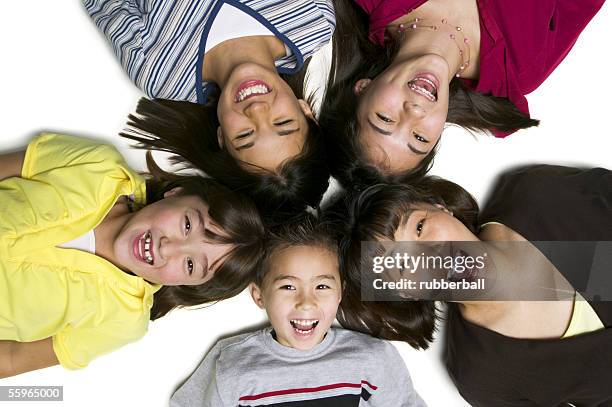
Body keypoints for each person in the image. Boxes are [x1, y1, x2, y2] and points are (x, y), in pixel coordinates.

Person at [331, 164, 612, 405]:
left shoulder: (534, 195)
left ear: (440, 207)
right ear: (407, 294)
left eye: (419, 227)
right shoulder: (481, 373)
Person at [0, 133, 265, 378]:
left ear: (186, 284)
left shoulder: (123, 321)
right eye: (187, 225)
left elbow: (12, 358)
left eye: (190, 264)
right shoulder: (100, 165)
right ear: (177, 193)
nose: (167, 248)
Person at [82, 0, 335, 221]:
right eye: (282, 123)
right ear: (306, 110)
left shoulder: (160, 72)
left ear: (221, 138)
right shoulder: (314, 19)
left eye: (245, 135)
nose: (257, 109)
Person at [319, 0, 605, 188]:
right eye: (420, 138)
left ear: (363, 87)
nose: (414, 113)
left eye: (385, 118)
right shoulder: (518, 67)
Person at [170, 215, 425, 406]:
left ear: (340, 293)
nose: (306, 302)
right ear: (259, 295)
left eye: (322, 286)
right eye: (289, 286)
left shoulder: (371, 359)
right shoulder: (232, 363)